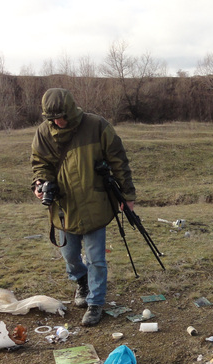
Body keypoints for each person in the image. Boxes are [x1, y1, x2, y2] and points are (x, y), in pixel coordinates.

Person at [31, 88, 135, 326]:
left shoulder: (96, 126)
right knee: (70, 256)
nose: (57, 121)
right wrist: (40, 183)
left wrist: (127, 195)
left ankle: (96, 303)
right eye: (52, 118)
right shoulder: (43, 132)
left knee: (97, 259)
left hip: (94, 205)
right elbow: (40, 164)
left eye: (61, 116)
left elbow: (119, 160)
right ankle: (82, 281)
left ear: (71, 111)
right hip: (64, 207)